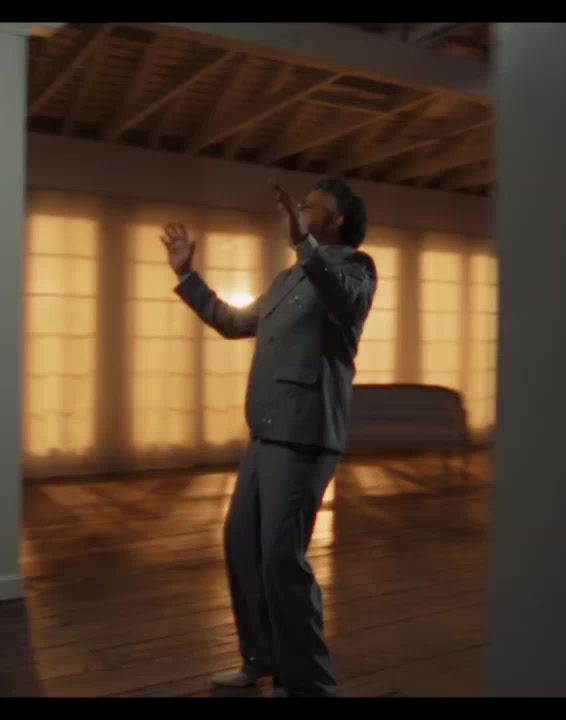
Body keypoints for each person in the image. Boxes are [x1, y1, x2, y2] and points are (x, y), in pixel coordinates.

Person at [159, 178, 376, 698]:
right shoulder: (286, 279)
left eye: (309, 206)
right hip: (265, 431)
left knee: (281, 557)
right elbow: (232, 322)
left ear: (336, 219)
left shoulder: (356, 268)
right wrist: (187, 275)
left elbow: (344, 302)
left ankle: (309, 684)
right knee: (241, 544)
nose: (297, 211)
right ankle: (261, 657)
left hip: (305, 435)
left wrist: (305, 246)